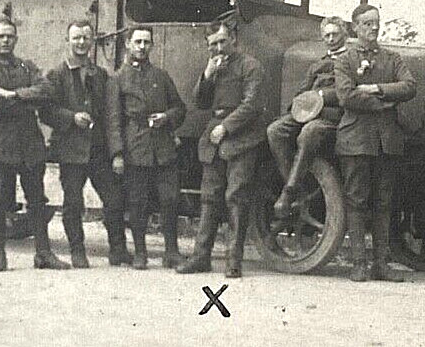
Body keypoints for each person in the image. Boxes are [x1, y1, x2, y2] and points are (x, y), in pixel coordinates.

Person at [0, 16, 70, 272]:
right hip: (0, 144)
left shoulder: (27, 66)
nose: (6, 41)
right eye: (1, 36)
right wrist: (27, 100)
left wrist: (14, 95)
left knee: (37, 200)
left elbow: (47, 90)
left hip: (29, 144)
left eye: (10, 36)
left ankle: (43, 254)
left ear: (16, 39)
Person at [39, 20, 132, 268]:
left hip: (98, 150)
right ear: (67, 40)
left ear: (92, 42)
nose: (81, 43)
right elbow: (45, 112)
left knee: (114, 199)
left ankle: (118, 250)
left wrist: (116, 153)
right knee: (73, 203)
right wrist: (71, 117)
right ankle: (77, 251)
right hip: (70, 151)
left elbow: (111, 116)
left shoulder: (101, 76)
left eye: (86, 38)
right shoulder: (56, 75)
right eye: (76, 38)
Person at [177, 21, 266, 278]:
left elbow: (252, 104)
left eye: (222, 42)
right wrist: (206, 75)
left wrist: (226, 127)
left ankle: (233, 261)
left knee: (236, 198)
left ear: (233, 40)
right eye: (213, 45)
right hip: (215, 138)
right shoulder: (213, 68)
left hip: (242, 137)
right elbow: (201, 103)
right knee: (209, 197)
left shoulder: (250, 66)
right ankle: (200, 257)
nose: (218, 48)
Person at [334, 4, 416, 282]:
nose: (373, 28)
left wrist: (376, 89)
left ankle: (381, 264)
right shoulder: (344, 60)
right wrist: (385, 104)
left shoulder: (392, 58)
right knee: (356, 200)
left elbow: (409, 86)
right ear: (355, 27)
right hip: (355, 139)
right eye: (367, 23)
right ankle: (358, 263)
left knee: (384, 202)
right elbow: (345, 96)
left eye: (376, 23)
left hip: (386, 141)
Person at [107, 26, 187, 270]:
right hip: (136, 148)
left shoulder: (161, 77)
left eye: (147, 42)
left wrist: (166, 117)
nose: (142, 47)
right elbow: (113, 120)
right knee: (137, 203)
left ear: (152, 46)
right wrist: (118, 154)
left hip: (163, 148)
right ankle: (140, 252)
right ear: (128, 44)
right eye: (138, 42)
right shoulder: (117, 79)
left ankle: (171, 252)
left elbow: (180, 109)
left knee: (170, 199)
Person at [267, 16, 348, 216]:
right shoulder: (317, 65)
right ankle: (294, 183)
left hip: (332, 115)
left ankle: (289, 191)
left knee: (309, 132)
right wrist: (295, 107)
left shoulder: (351, 61)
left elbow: (349, 92)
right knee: (275, 130)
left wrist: (321, 96)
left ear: (344, 35)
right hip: (309, 111)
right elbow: (302, 91)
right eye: (327, 35)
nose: (331, 39)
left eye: (335, 34)